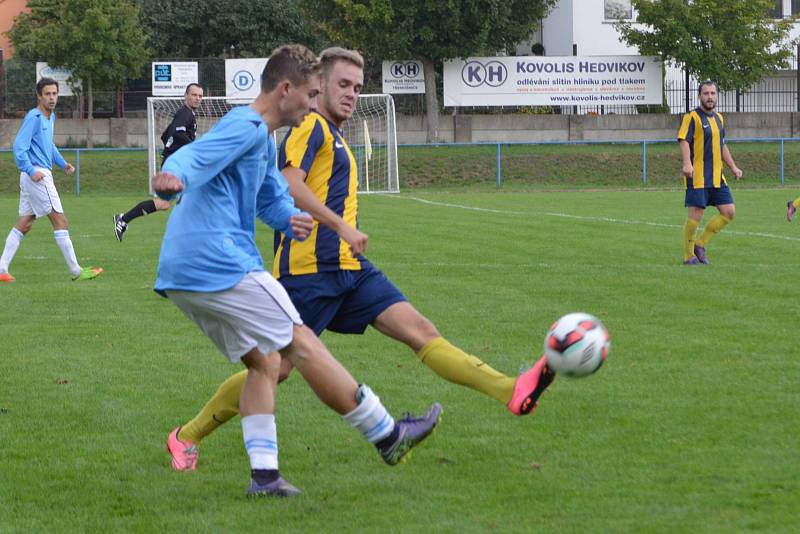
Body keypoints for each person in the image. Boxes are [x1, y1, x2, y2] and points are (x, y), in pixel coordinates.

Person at [166, 47, 554, 472]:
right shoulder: (308, 127)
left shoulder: (333, 133)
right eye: (342, 85)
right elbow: (289, 184)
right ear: (316, 89)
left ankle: (511, 391)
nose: (351, 94)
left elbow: (276, 197)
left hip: (350, 269)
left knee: (421, 330)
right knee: (273, 368)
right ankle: (187, 435)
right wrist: (340, 228)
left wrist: (321, 229)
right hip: (310, 271)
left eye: (357, 87)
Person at [152, 44, 441, 497]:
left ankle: (264, 477)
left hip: (183, 273)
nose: (312, 104)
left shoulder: (262, 141)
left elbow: (269, 199)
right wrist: (171, 174)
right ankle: (387, 434)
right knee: (301, 342)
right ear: (285, 89)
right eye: (309, 94)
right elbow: (193, 156)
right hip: (219, 261)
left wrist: (290, 219)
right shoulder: (245, 126)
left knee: (264, 364)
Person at [0, 78, 103, 283]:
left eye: (54, 93)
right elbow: (19, 147)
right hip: (37, 176)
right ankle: (76, 271)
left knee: (25, 223)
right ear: (39, 96)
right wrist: (31, 170)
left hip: (34, 175)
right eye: (47, 94)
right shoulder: (35, 117)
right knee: (60, 221)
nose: (52, 97)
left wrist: (63, 163)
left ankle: (1, 268)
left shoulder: (50, 117)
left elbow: (49, 146)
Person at [113, 83, 204, 241]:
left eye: (200, 96)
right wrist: (193, 147)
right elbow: (177, 132)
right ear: (185, 96)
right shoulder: (186, 113)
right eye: (194, 95)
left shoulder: (185, 114)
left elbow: (165, 134)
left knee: (164, 204)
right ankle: (193, 235)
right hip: (175, 165)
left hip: (174, 163)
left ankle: (123, 219)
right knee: (198, 194)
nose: (197, 98)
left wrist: (170, 148)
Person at [678, 80, 743, 265]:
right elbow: (683, 140)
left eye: (713, 93)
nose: (710, 97)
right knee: (696, 215)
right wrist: (686, 164)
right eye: (706, 93)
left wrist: (733, 167)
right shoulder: (691, 117)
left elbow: (721, 146)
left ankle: (700, 244)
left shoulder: (719, 119)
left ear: (717, 96)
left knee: (729, 212)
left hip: (717, 176)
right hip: (697, 176)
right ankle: (688, 255)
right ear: (700, 96)